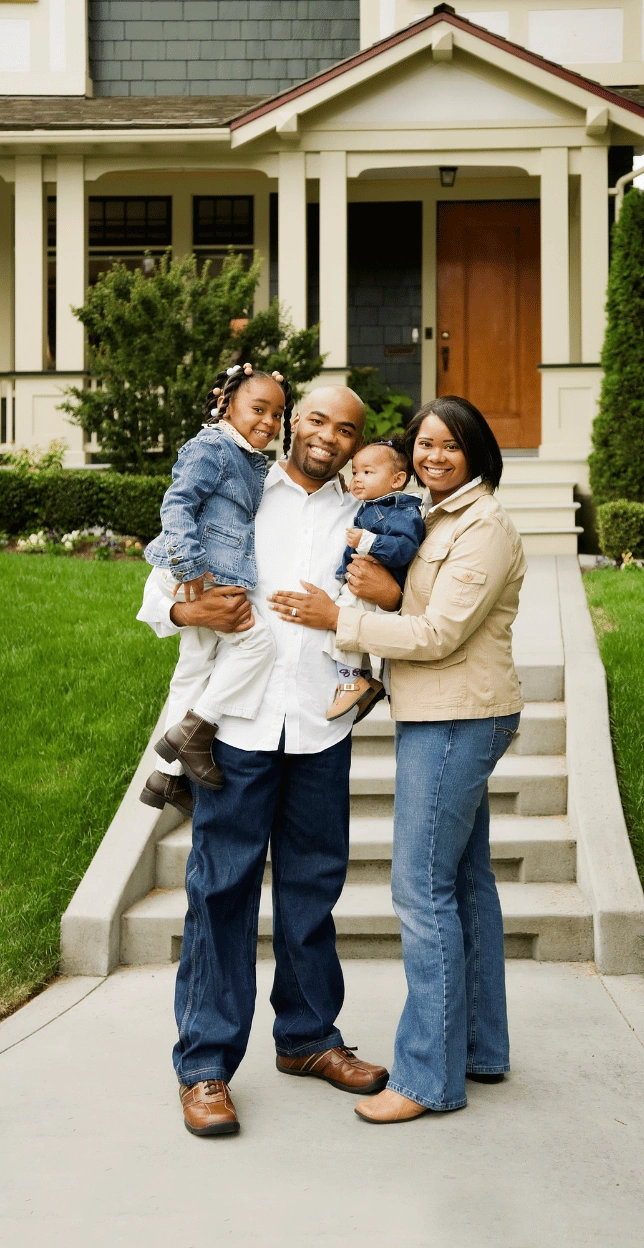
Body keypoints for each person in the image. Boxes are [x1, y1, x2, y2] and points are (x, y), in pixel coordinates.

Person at [137, 385, 401, 1137]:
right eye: (316, 419)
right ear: (293, 423)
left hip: (320, 725)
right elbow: (159, 595)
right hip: (239, 729)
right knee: (221, 891)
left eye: (346, 428)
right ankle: (206, 1068)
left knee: (313, 888)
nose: (329, 437)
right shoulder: (243, 482)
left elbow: (393, 604)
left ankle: (309, 1039)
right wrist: (191, 609)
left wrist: (379, 598)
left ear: (357, 443)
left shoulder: (366, 508)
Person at [269, 395, 527, 1126]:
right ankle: (478, 1048)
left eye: (450, 446)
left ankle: (426, 1079)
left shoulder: (482, 526)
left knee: (421, 891)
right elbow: (419, 601)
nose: (433, 457)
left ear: (476, 452)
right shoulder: (438, 515)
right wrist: (383, 597)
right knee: (467, 883)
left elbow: (441, 631)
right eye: (424, 444)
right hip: (451, 710)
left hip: (455, 716)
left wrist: (342, 619)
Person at [139, 363, 292, 814]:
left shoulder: (246, 456)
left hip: (203, 570)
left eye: (278, 414)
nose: (268, 421)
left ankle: (165, 778)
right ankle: (197, 729)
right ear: (226, 404)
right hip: (195, 572)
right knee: (257, 643)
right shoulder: (214, 446)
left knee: (193, 667)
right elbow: (178, 501)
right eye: (258, 409)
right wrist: (189, 568)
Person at [324, 435, 425, 722]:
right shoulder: (371, 506)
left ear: (397, 480)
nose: (357, 478)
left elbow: (404, 549)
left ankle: (350, 683)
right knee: (346, 630)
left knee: (342, 629)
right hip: (359, 582)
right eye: (355, 472)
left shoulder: (402, 511)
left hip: (376, 583)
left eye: (368, 473)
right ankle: (366, 680)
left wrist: (368, 541)